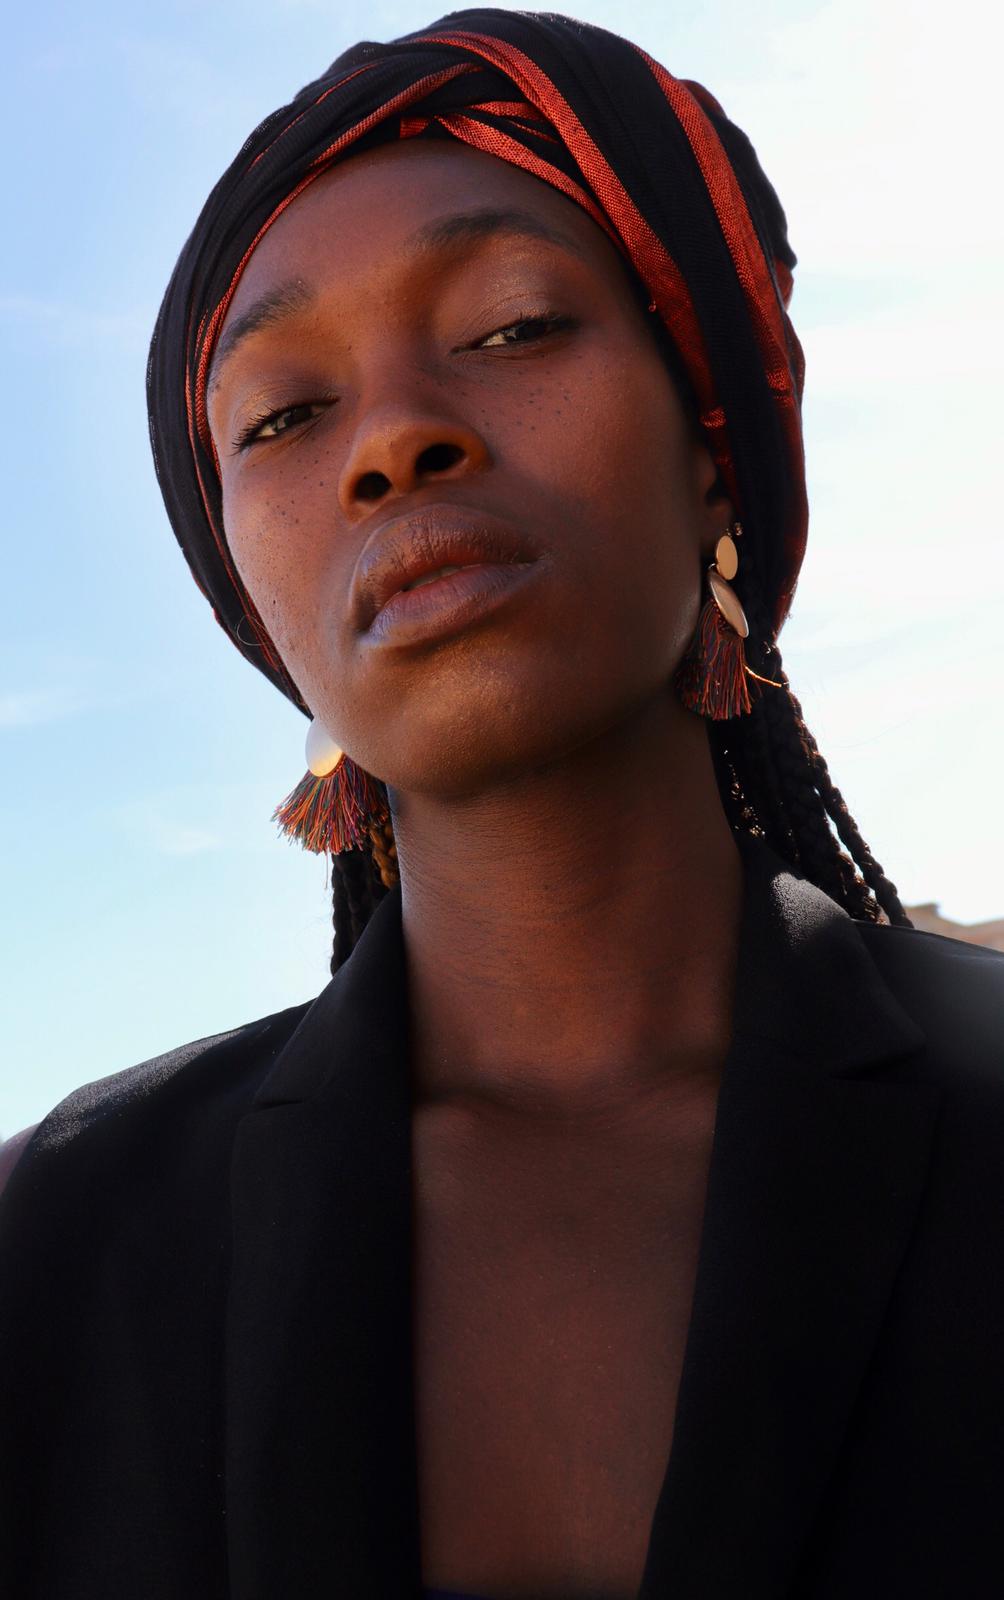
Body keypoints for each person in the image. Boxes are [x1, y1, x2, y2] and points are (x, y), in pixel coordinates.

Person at [2, 10, 1002, 1598]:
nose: (395, 440)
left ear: (715, 445)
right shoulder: (55, 1240)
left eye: (516, 326)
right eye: (282, 416)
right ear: (254, 603)